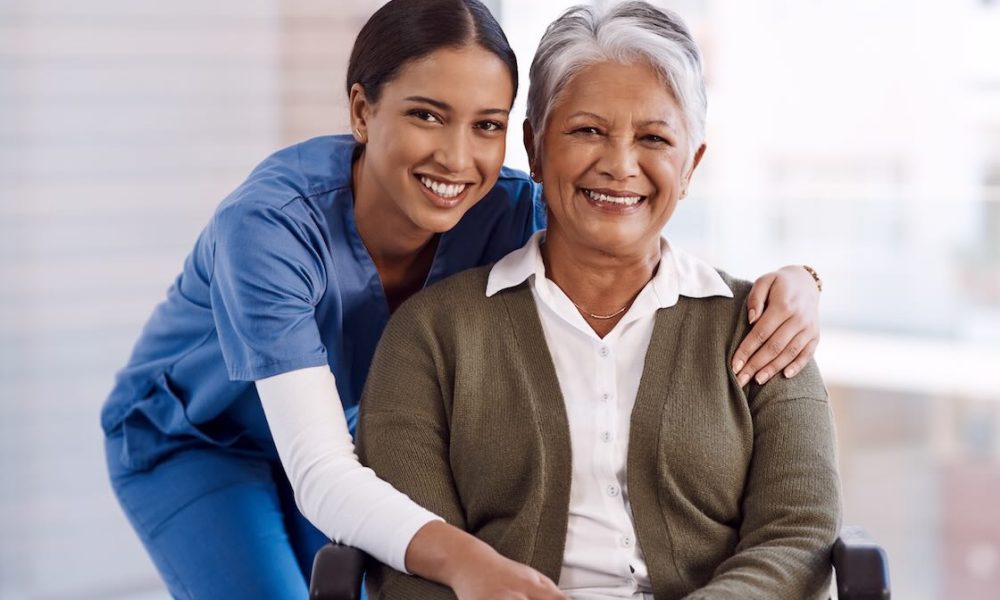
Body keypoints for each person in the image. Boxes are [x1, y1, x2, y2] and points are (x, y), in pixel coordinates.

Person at [100, 0, 823, 598]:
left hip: (349, 440)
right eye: (425, 115)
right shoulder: (268, 229)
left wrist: (802, 283)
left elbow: (625, 232)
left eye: (485, 126)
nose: (456, 157)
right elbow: (321, 474)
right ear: (361, 111)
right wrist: (471, 562)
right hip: (203, 442)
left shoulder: (507, 206)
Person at [356, 3, 841, 599]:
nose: (618, 165)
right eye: (587, 130)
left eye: (654, 138)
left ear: (691, 166)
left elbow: (799, 536)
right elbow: (413, 559)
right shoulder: (430, 335)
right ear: (534, 147)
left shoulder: (765, 328)